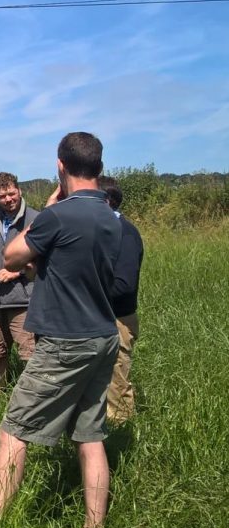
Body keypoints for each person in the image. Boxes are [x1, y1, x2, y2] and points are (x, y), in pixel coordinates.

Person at [0, 132, 121, 528]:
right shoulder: (111, 218)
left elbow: (11, 254)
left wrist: (45, 213)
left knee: (13, 430)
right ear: (99, 166)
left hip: (65, 340)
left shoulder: (59, 216)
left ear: (60, 166)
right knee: (89, 435)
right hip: (102, 334)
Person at [0, 173, 39, 389]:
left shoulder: (35, 220)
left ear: (19, 191)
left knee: (30, 357)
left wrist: (16, 271)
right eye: (2, 196)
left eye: (12, 193)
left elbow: (45, 260)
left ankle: (31, 401)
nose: (8, 199)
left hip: (24, 302)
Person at [98, 176, 143, 424]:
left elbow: (124, 286)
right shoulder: (106, 230)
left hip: (118, 320)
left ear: (106, 201)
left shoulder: (124, 233)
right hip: (102, 317)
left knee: (116, 381)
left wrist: (86, 291)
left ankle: (121, 433)